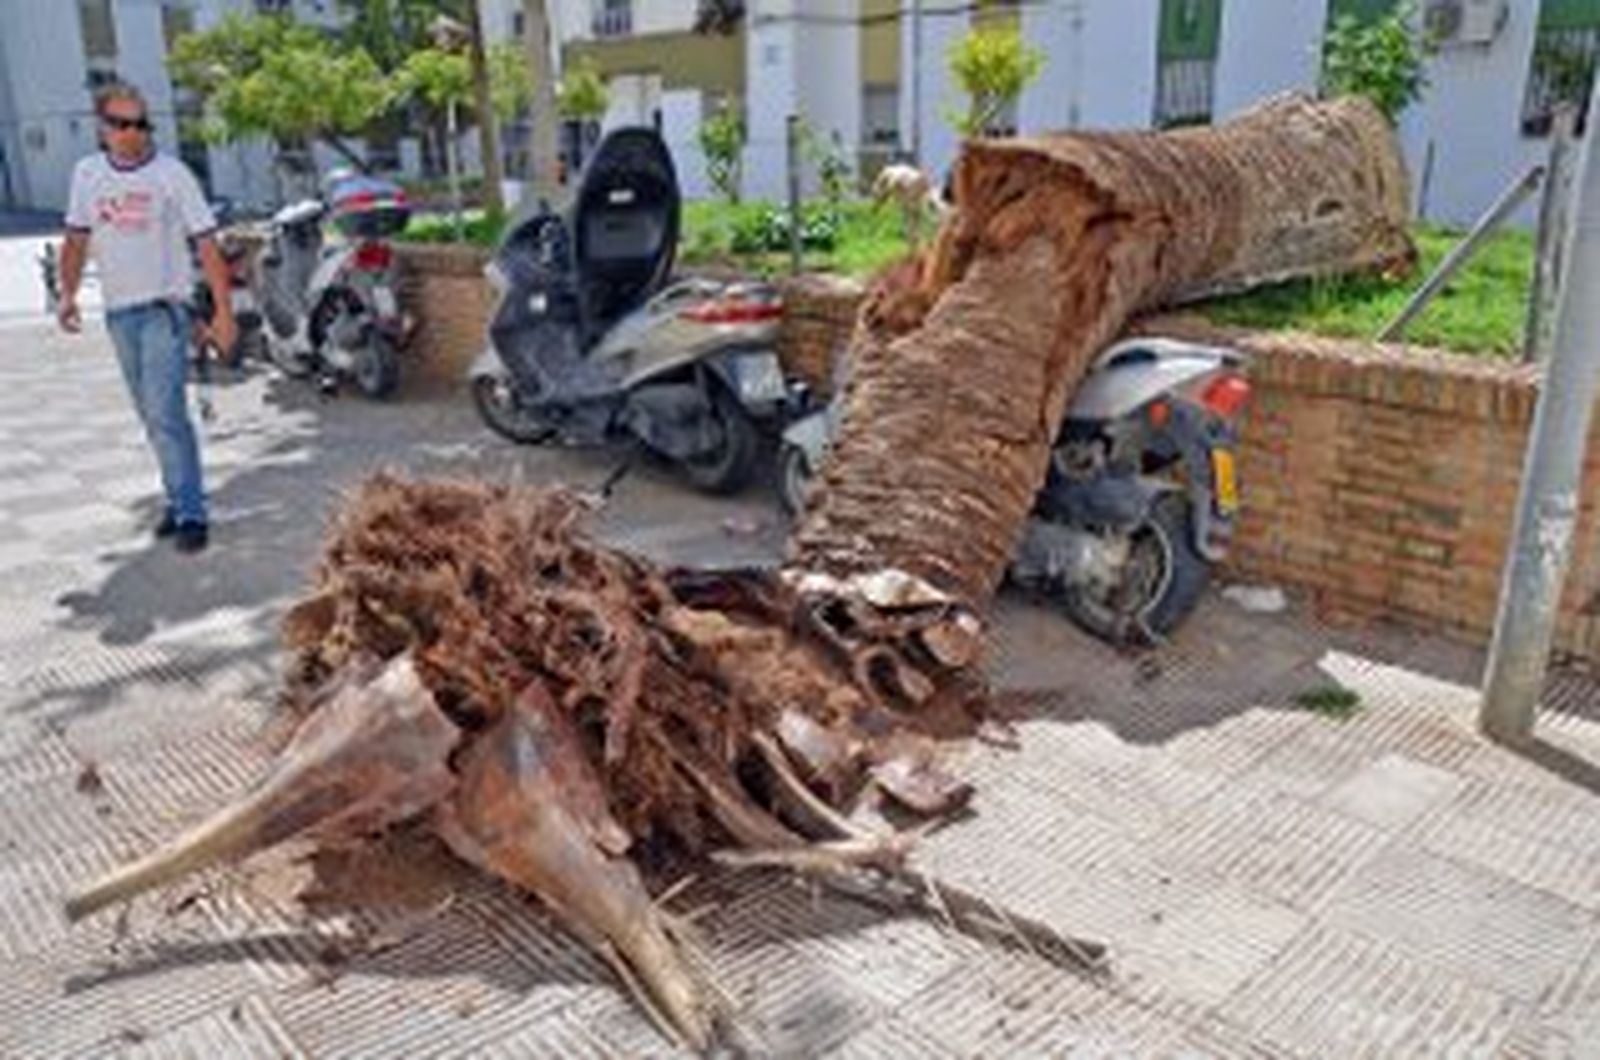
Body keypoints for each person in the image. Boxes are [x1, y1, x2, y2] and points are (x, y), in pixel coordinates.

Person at [56, 82, 235, 554]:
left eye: (141, 124)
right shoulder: (87, 175)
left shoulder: (171, 174)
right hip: (119, 314)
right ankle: (177, 502)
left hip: (164, 310)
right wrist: (67, 295)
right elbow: (76, 239)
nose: (133, 133)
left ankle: (192, 511)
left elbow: (208, 244)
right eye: (122, 124)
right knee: (149, 417)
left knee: (166, 413)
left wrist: (224, 314)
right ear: (103, 128)